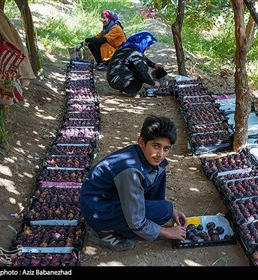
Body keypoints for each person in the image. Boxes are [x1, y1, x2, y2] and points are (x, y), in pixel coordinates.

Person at [80, 115, 187, 251]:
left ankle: (146, 221)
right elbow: (135, 220)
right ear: (141, 142)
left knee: (161, 181)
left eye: (166, 149)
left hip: (111, 199)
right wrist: (166, 232)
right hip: (98, 210)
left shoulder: (144, 157)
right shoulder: (130, 170)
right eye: (156, 146)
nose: (160, 154)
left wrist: (172, 211)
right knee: (164, 210)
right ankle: (102, 232)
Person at [106, 31, 165, 96]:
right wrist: (153, 83)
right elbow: (142, 72)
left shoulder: (129, 46)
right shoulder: (134, 51)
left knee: (139, 67)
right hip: (117, 79)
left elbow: (141, 57)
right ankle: (129, 92)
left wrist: (153, 65)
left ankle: (125, 90)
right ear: (143, 42)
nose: (148, 48)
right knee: (142, 69)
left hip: (113, 78)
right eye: (148, 45)